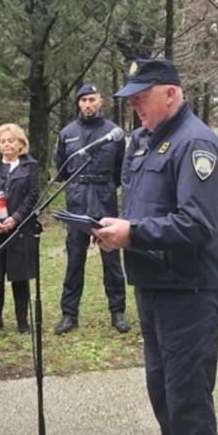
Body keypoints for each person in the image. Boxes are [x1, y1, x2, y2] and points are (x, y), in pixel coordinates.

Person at [94, 57, 218, 435]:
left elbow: (197, 223)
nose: (134, 106)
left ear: (171, 93)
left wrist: (134, 233)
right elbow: (145, 209)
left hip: (188, 294)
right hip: (153, 286)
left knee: (189, 398)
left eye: (141, 96)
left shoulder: (196, 143)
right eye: (130, 99)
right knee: (163, 393)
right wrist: (118, 230)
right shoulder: (147, 140)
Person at [54, 82, 130, 335]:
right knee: (75, 259)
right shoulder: (67, 133)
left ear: (101, 102)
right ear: (78, 103)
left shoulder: (113, 133)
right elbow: (62, 170)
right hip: (77, 200)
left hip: (104, 199)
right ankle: (69, 314)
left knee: (111, 260)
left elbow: (121, 171)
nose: (88, 104)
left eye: (92, 99)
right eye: (84, 100)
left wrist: (106, 188)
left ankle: (117, 311)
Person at [0, 123, 40, 335]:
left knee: (19, 276)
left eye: (11, 140)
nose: (6, 145)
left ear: (21, 143)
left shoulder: (30, 166)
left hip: (19, 230)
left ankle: (22, 321)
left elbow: (32, 195)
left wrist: (17, 218)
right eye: (3, 141)